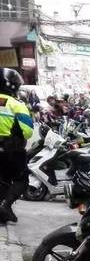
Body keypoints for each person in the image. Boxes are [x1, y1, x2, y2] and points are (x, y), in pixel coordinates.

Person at [0, 69, 34, 224]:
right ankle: (5, 205)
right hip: (11, 151)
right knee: (22, 180)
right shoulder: (16, 105)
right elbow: (27, 132)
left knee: (2, 181)